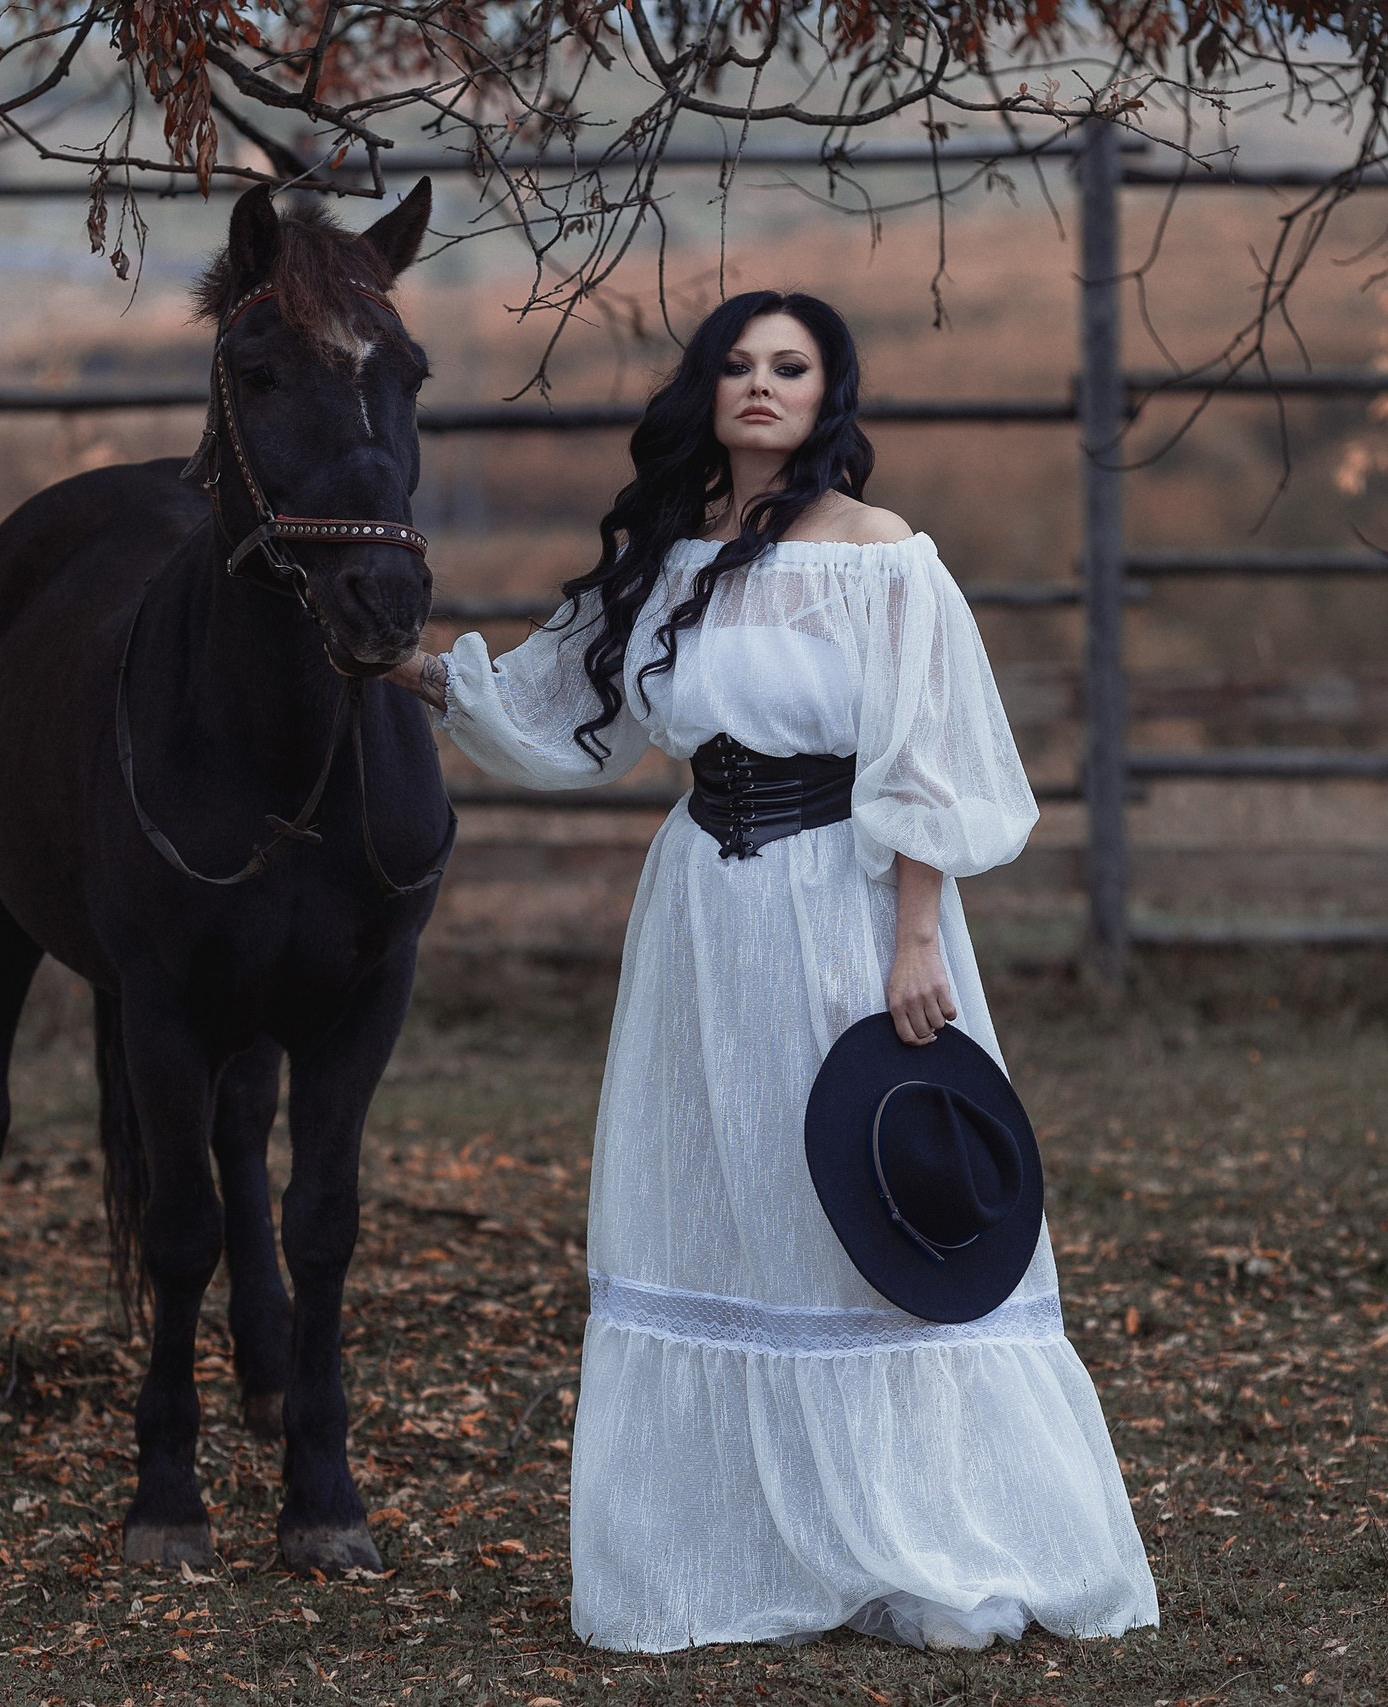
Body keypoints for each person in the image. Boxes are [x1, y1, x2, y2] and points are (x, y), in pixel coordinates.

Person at [385, 291, 1159, 1653]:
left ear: (825, 394)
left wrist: (917, 936)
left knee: (860, 1202)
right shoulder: (664, 559)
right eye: (738, 365)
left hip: (849, 903)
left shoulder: (884, 557)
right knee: (731, 1197)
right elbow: (558, 706)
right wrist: (407, 669)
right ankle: (745, 1543)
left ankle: (923, 1534)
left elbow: (927, 754)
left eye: (789, 367)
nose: (761, 386)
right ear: (710, 389)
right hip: (703, 916)